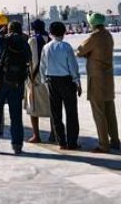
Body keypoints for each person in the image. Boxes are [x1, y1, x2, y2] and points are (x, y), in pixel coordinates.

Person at [77, 12, 120, 153]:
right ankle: (115, 140)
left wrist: (87, 53)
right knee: (110, 111)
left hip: (96, 78)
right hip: (108, 78)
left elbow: (80, 51)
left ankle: (103, 144)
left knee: (99, 112)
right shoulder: (108, 35)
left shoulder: (94, 37)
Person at [0, 20, 30, 154]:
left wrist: (0, 31)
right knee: (16, 115)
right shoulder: (24, 44)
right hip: (17, 83)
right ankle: (17, 145)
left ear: (8, 29)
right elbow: (28, 59)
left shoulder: (0, 40)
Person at [40, 21, 81, 150]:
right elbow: (73, 66)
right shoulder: (66, 47)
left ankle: (61, 141)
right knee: (71, 112)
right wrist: (77, 82)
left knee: (56, 112)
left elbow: (42, 66)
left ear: (50, 33)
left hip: (52, 80)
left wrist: (44, 81)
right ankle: (72, 141)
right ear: (63, 32)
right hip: (67, 81)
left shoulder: (46, 47)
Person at [25, 19, 52, 143]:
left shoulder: (33, 40)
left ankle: (36, 135)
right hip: (49, 76)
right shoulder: (50, 39)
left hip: (35, 76)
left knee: (33, 106)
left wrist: (31, 75)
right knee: (52, 105)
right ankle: (54, 133)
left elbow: (31, 59)